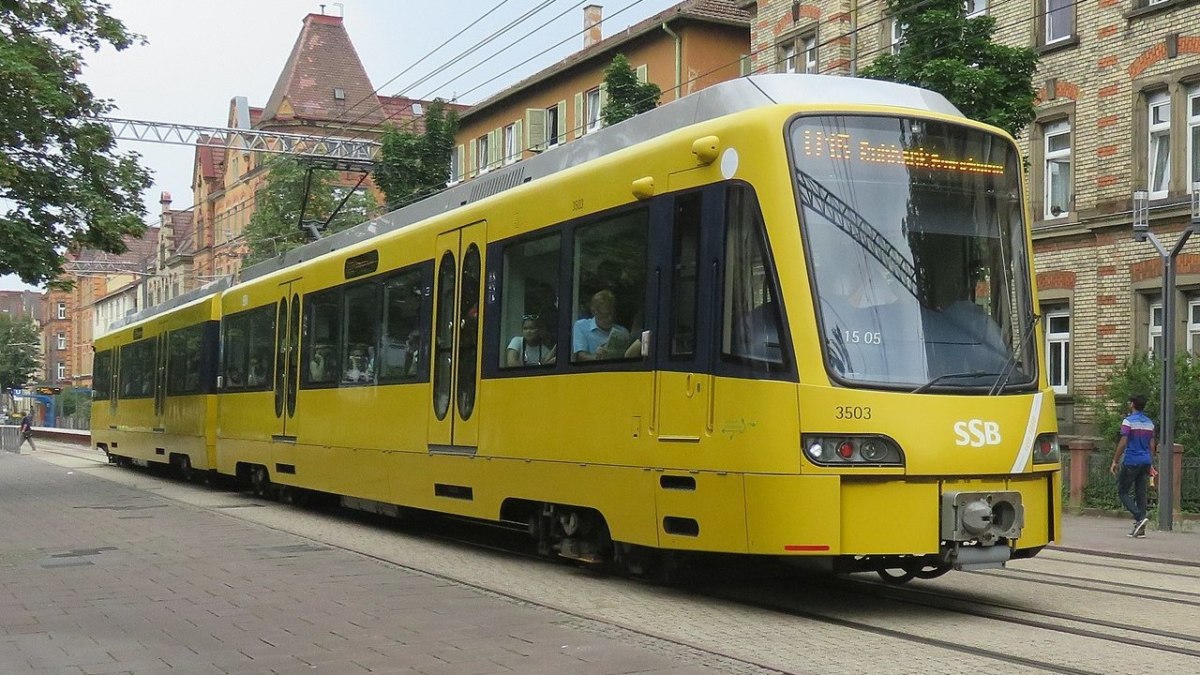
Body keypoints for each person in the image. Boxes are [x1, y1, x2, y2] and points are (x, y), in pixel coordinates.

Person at [1110, 393, 1157, 538]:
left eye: (1129, 402)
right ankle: (1140, 529)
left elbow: (1123, 442)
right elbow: (1152, 444)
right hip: (1145, 461)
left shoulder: (1128, 421)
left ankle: (1139, 517)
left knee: (1122, 491)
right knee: (1140, 493)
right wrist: (1150, 462)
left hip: (1131, 460)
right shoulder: (1149, 423)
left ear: (1132, 404)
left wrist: (1115, 461)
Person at [572, 290, 631, 361]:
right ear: (594, 312)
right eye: (606, 314)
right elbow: (580, 356)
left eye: (612, 314)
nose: (610, 318)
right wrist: (597, 357)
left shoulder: (623, 332)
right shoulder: (581, 326)